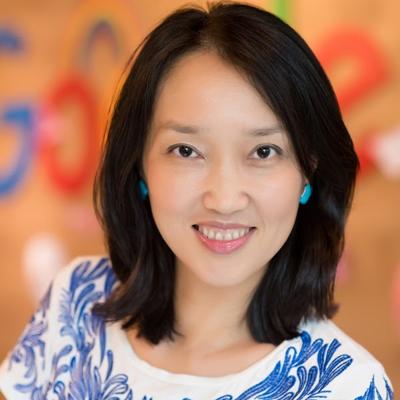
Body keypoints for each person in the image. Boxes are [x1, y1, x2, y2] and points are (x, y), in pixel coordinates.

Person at [0, 1, 394, 398]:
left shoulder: (347, 385)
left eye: (263, 152)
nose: (224, 199)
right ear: (140, 164)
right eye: (186, 151)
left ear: (307, 172)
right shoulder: (74, 303)